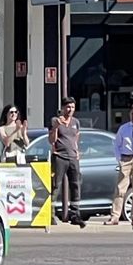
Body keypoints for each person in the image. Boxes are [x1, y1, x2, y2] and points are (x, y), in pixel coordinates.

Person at [105, 103, 133, 227]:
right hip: (126, 158)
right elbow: (117, 144)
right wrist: (119, 159)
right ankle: (115, 216)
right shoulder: (124, 128)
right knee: (120, 188)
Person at [48, 97, 85, 227]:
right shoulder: (55, 120)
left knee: (75, 185)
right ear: (63, 108)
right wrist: (56, 127)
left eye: (73, 107)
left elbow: (76, 138)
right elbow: (51, 140)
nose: (70, 110)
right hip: (60, 157)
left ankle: (75, 214)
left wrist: (77, 151)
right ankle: (50, 214)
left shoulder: (76, 122)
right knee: (56, 185)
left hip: (73, 157)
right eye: (68, 107)